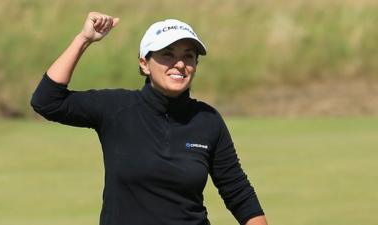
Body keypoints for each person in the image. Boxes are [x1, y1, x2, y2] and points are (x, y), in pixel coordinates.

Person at [31, 12, 268, 225]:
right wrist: (83, 39)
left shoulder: (207, 120)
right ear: (144, 64)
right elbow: (47, 101)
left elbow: (238, 192)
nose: (180, 64)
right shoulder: (117, 108)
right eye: (167, 55)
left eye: (189, 56)